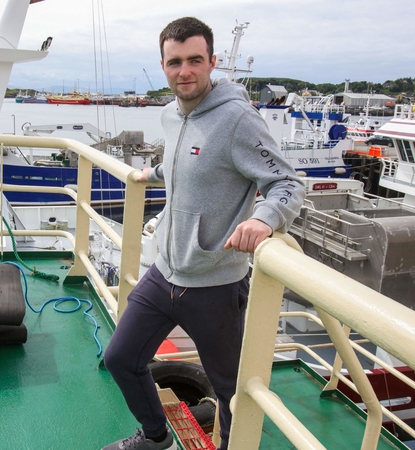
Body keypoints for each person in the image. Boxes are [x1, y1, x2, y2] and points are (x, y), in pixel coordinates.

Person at [102, 17, 305, 450]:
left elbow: (287, 182)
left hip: (216, 283)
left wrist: (264, 219)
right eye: (175, 62)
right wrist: (151, 173)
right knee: (120, 358)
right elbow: (187, 161)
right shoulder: (170, 114)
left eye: (195, 60)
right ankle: (156, 438)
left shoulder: (238, 119)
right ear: (163, 65)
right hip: (165, 273)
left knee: (229, 390)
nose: (185, 71)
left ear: (212, 62)